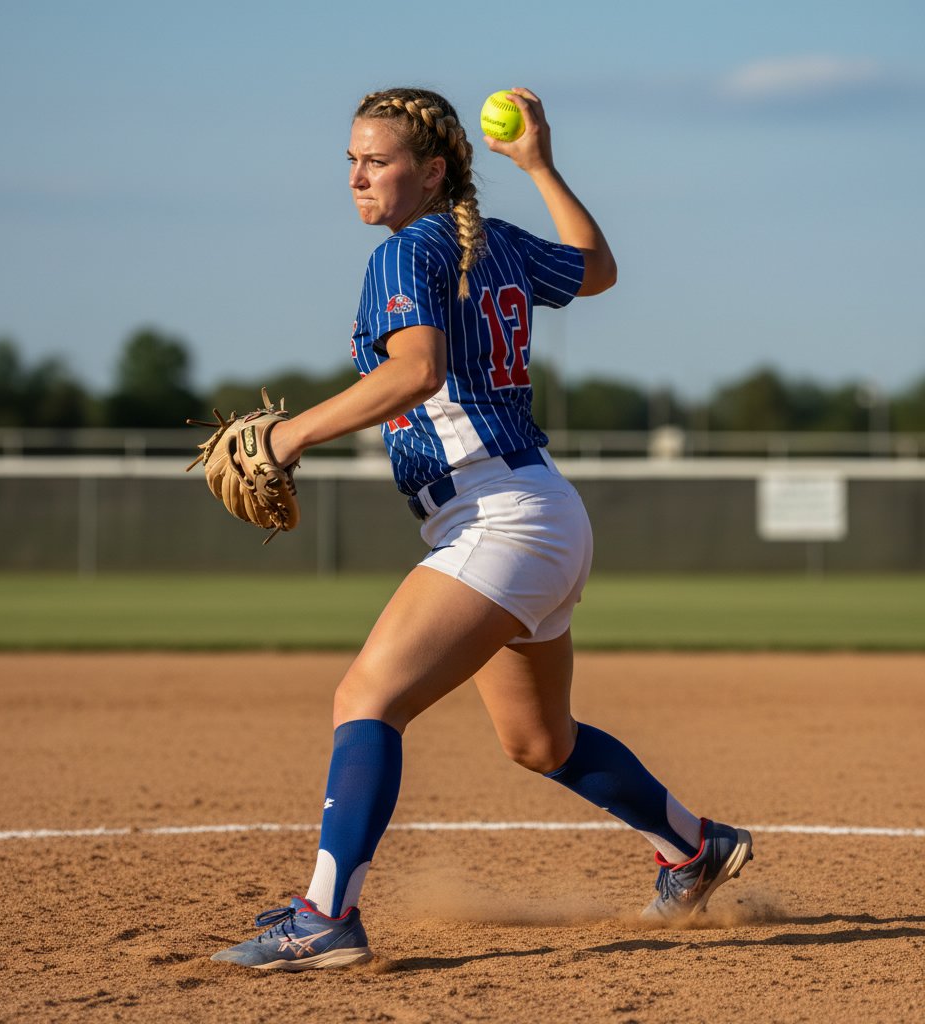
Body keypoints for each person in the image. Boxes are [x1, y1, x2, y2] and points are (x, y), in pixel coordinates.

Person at [211, 86, 752, 971]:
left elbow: (417, 373)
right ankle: (693, 848)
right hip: (542, 513)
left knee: (367, 700)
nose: (356, 176)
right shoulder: (486, 244)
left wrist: (290, 431)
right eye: (349, 159)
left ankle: (326, 916)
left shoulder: (406, 253)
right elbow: (597, 266)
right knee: (539, 741)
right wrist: (538, 166)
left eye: (375, 160)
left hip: (497, 516)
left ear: (430, 172)